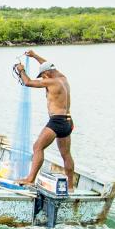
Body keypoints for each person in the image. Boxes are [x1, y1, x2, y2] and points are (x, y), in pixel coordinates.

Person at [12, 49, 75, 190]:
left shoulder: (50, 82)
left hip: (56, 121)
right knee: (66, 154)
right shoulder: (63, 78)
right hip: (68, 121)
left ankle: (30, 179)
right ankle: (71, 186)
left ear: (48, 74)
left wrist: (21, 70)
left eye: (43, 75)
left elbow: (27, 82)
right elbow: (49, 65)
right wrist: (34, 56)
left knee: (37, 147)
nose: (43, 77)